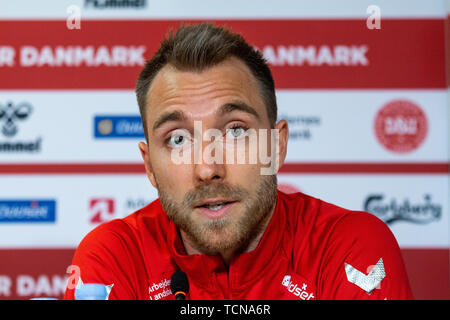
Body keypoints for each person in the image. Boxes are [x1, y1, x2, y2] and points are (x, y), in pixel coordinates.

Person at [64, 23, 413, 300]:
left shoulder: (348, 246)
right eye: (178, 139)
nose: (207, 169)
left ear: (276, 147)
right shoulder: (115, 254)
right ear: (149, 166)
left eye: (235, 132)